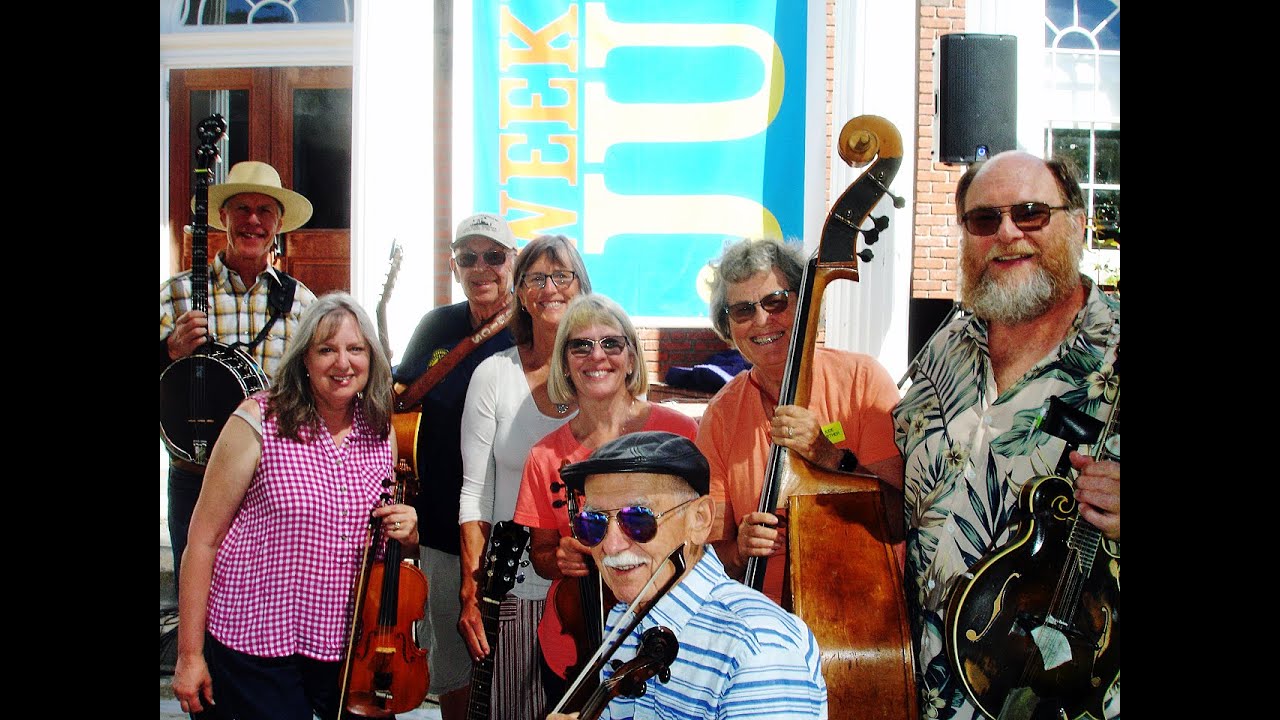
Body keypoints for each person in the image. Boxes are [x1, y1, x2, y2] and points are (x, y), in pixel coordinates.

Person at [892, 151, 1120, 720]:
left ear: (1078, 224)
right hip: (924, 693)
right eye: (984, 219)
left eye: (1031, 213)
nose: (1008, 233)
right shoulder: (946, 344)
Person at [171, 292, 418, 720]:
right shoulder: (258, 420)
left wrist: (408, 532)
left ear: (371, 358)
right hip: (256, 642)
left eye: (355, 349)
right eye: (327, 349)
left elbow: (381, 541)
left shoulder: (380, 429)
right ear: (304, 358)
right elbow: (202, 541)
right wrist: (189, 655)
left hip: (346, 645)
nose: (343, 363)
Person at [547, 431, 828, 719]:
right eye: (592, 522)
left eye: (637, 519)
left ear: (700, 519)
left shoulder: (758, 648)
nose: (611, 544)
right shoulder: (623, 618)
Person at [694, 237, 904, 606]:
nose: (762, 320)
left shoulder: (864, 380)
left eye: (776, 302)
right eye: (743, 310)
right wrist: (739, 550)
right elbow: (707, 557)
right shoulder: (721, 414)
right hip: (764, 625)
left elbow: (901, 517)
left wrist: (830, 458)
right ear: (728, 327)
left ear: (805, 304)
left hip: (863, 615)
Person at [511, 293, 699, 704]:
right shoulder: (544, 456)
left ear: (631, 358)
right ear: (565, 363)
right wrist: (559, 557)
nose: (597, 356)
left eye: (611, 343)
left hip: (673, 639)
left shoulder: (679, 432)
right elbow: (542, 556)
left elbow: (704, 535)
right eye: (581, 345)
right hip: (577, 648)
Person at [160, 160, 318, 593]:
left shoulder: (302, 302)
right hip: (196, 474)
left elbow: (318, 390)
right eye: (242, 209)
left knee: (266, 597)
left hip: (271, 478)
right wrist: (169, 350)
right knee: (198, 597)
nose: (253, 220)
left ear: (278, 222)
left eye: (265, 210)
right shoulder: (177, 293)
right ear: (223, 218)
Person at [457, 234, 593, 719]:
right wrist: (471, 586)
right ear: (519, 292)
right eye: (535, 278)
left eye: (561, 275)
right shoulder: (494, 375)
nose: (549, 288)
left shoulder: (601, 369)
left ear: (581, 286)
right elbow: (474, 491)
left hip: (592, 587)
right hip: (512, 585)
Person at [391, 212, 518, 719]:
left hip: (514, 527)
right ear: (454, 265)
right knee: (451, 660)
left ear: (513, 262)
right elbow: (399, 400)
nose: (481, 267)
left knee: (513, 657)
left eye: (494, 256)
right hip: (443, 524)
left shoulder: (534, 331)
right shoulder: (436, 325)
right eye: (469, 257)